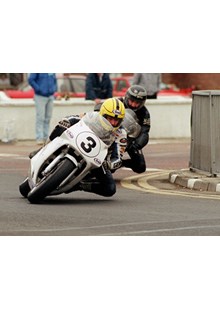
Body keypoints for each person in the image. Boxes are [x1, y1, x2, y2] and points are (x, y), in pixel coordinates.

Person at [30, 98, 127, 197]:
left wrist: (110, 164)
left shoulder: (121, 133)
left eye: (116, 120)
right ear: (103, 114)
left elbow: (118, 156)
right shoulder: (94, 116)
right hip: (78, 139)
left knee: (110, 188)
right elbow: (76, 118)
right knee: (60, 128)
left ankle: (78, 185)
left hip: (98, 158)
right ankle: (42, 149)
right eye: (110, 118)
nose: (113, 123)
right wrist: (67, 121)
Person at [118, 85, 151, 173]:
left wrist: (136, 145)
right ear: (127, 97)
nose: (133, 104)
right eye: (132, 101)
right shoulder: (117, 103)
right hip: (112, 135)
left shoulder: (144, 113)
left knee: (140, 166)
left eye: (137, 103)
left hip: (130, 140)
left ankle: (120, 163)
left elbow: (145, 131)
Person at [28, 73, 57, 145]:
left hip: (50, 96)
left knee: (48, 118)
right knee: (40, 117)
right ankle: (39, 138)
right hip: (40, 96)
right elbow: (31, 80)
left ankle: (46, 137)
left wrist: (54, 89)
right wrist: (38, 89)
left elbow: (54, 80)